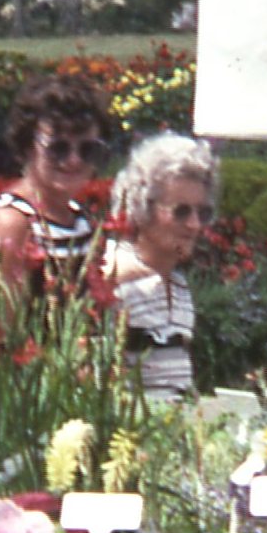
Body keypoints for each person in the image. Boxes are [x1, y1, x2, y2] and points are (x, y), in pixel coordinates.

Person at [0, 73, 115, 324]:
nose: (74, 160)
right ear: (27, 146)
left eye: (87, 149)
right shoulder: (11, 221)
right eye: (58, 148)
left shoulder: (80, 219)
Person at [93, 133, 219, 402]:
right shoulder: (114, 278)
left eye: (203, 213)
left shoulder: (179, 286)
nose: (195, 225)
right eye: (181, 212)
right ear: (141, 208)